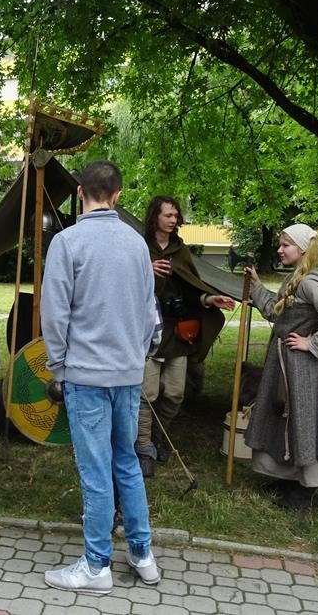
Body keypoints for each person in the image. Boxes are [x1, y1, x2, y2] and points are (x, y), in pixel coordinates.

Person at [40, 160, 162, 595]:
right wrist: (137, 355)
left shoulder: (67, 242)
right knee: (126, 462)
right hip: (128, 373)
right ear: (117, 195)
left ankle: (96, 566)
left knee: (95, 472)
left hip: (87, 374)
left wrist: (58, 366)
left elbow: (53, 313)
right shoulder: (137, 244)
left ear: (79, 194)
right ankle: (143, 556)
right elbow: (151, 313)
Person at [243, 223, 318, 510]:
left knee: (304, 420)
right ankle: (289, 478)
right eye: (280, 244)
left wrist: (312, 345)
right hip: (285, 365)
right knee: (283, 419)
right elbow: (273, 312)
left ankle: (308, 489)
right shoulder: (294, 280)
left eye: (285, 245)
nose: (279, 249)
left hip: (304, 369)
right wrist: (255, 285)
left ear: (303, 249)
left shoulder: (310, 283)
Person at [136, 196, 235, 477]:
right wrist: (147, 270)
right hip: (148, 331)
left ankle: (157, 436)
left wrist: (209, 298)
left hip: (177, 332)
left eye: (175, 215)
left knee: (175, 393)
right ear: (154, 216)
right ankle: (143, 447)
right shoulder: (140, 247)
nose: (172, 219)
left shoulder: (181, 251)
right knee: (148, 393)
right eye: (167, 214)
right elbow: (124, 284)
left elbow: (191, 289)